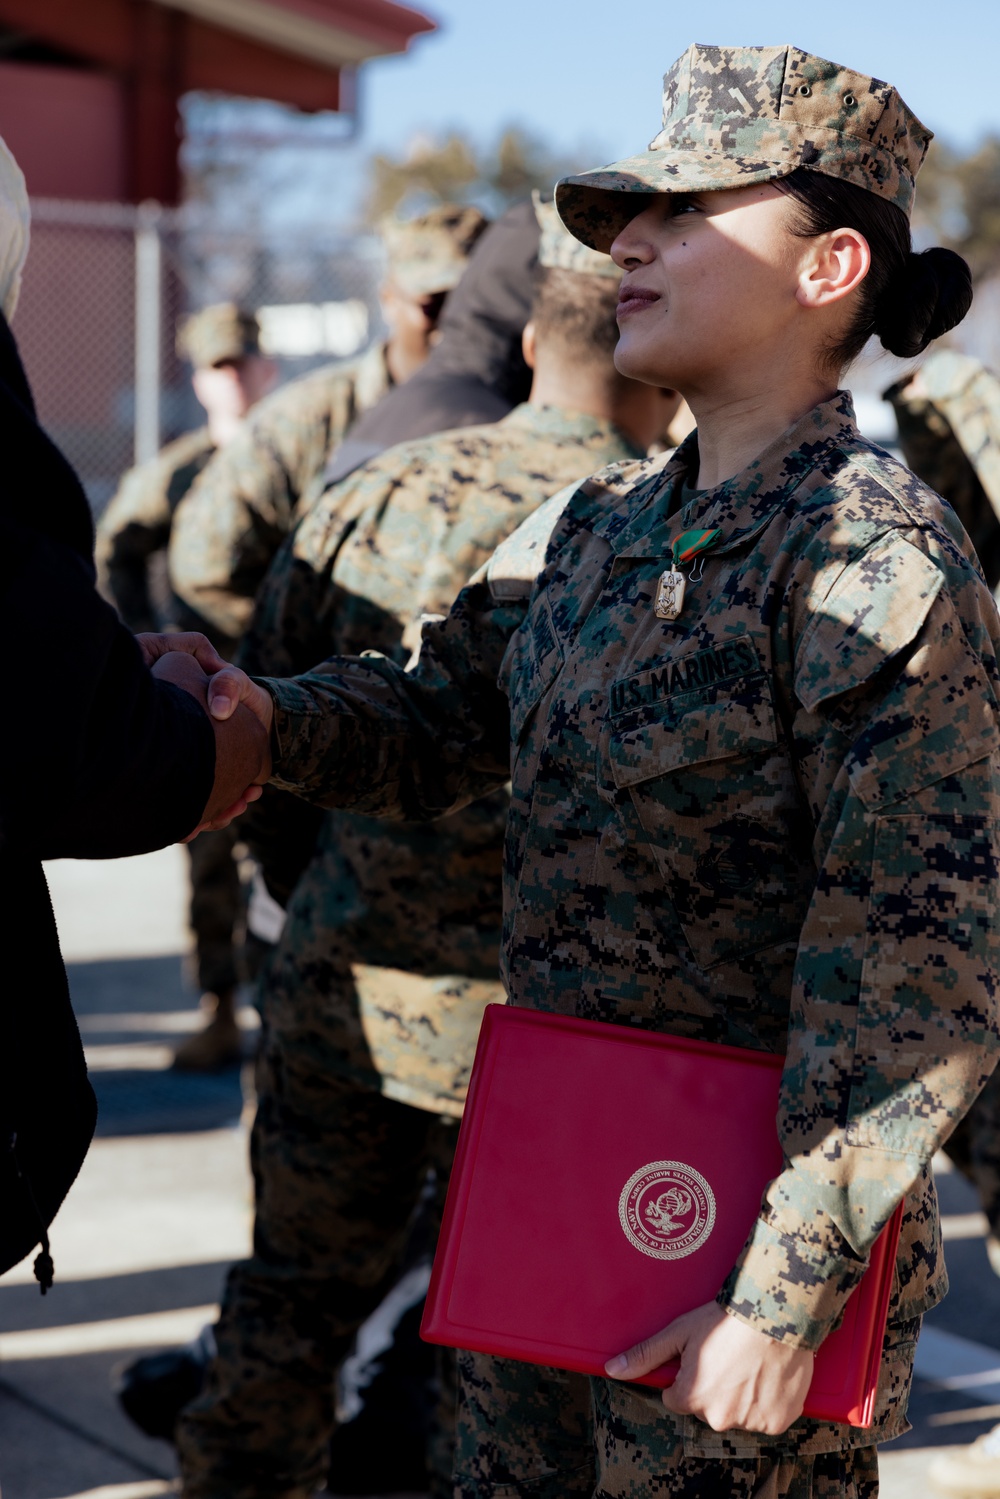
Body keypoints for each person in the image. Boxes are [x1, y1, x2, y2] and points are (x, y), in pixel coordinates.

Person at [182, 42, 995, 1497]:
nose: (629, 240)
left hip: (735, 1254)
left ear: (831, 267)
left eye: (687, 210)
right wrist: (256, 716)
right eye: (633, 214)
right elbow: (437, 717)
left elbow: (913, 972)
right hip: (555, 1202)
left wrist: (781, 1293)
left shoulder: (876, 558)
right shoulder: (594, 529)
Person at [173, 195, 678, 1499]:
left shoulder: (376, 483)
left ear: (521, 342)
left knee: (285, 1306)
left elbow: (272, 734)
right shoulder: (644, 528)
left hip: (347, 978)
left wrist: (317, 889)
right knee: (510, 1361)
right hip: (546, 1028)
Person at [0, 143, 271, 1289]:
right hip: (189, 713)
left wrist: (100, 654)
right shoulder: (176, 467)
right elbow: (67, 725)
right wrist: (138, 688)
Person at [167, 205, 489, 644]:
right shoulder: (307, 418)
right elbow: (205, 571)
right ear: (389, 300)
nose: (456, 324)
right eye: (434, 304)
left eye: (473, 304)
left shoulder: (518, 414)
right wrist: (299, 676)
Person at [97, 304, 278, 1071]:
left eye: (242, 363)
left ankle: (282, 1008)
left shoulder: (297, 449)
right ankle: (217, 1007)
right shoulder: (176, 470)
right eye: (216, 367)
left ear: (264, 369)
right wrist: (148, 640)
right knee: (210, 855)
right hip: (211, 689)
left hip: (289, 678)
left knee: (285, 856)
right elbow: (118, 550)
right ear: (200, 381)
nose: (232, 379)